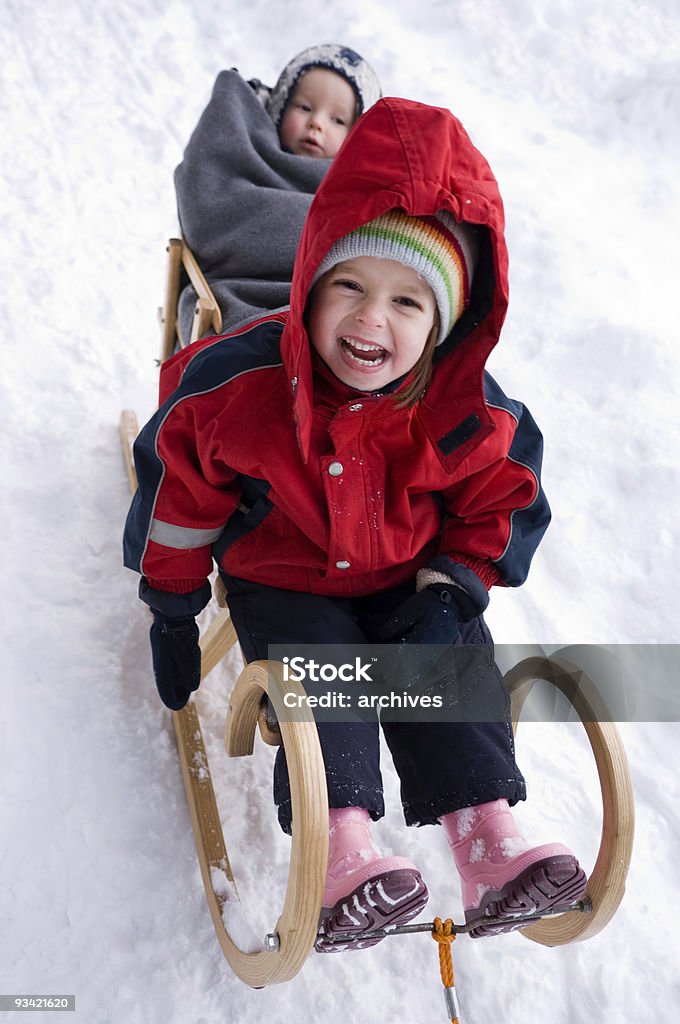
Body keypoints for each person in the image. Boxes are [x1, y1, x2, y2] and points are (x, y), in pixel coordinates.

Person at [125, 96, 587, 951]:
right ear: (311, 281)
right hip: (287, 578)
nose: (372, 320)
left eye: (409, 303)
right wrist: (171, 606)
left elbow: (505, 497)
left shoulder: (462, 410)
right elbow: (179, 495)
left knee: (444, 658)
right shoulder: (241, 388)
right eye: (350, 286)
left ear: (444, 325)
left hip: (403, 579)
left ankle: (489, 838)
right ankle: (345, 856)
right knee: (323, 671)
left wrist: (457, 582)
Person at [173, 43, 381, 345]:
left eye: (337, 120)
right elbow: (213, 207)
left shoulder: (355, 189)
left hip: (322, 307)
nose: (317, 123)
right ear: (279, 107)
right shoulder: (249, 157)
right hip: (239, 295)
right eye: (304, 107)